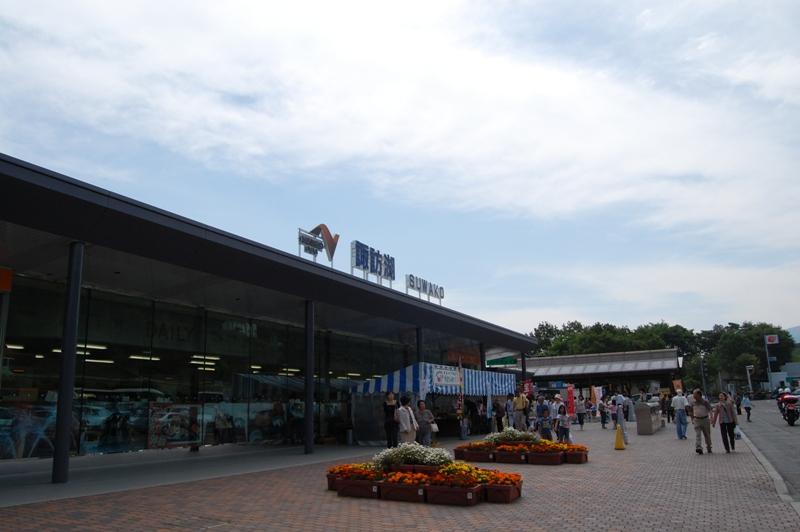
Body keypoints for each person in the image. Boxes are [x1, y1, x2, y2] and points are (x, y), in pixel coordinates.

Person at [689, 388, 712, 455]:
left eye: (695, 394)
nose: (694, 396)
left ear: (699, 395)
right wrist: (692, 419)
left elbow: (710, 410)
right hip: (697, 420)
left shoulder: (705, 402)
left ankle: (709, 446)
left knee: (707, 434)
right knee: (698, 434)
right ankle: (698, 447)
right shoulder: (693, 403)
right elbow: (690, 411)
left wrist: (712, 417)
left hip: (705, 419)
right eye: (693, 395)